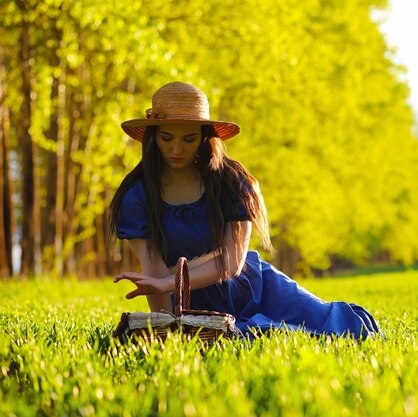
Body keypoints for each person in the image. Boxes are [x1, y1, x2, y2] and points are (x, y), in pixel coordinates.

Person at [109, 81, 379, 339]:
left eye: (189, 139)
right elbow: (154, 271)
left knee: (346, 330)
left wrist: (169, 283)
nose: (176, 149)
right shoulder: (136, 194)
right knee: (237, 337)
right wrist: (168, 325)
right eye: (167, 138)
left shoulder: (232, 182)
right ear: (153, 138)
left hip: (254, 286)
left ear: (205, 138)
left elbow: (232, 263)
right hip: (189, 300)